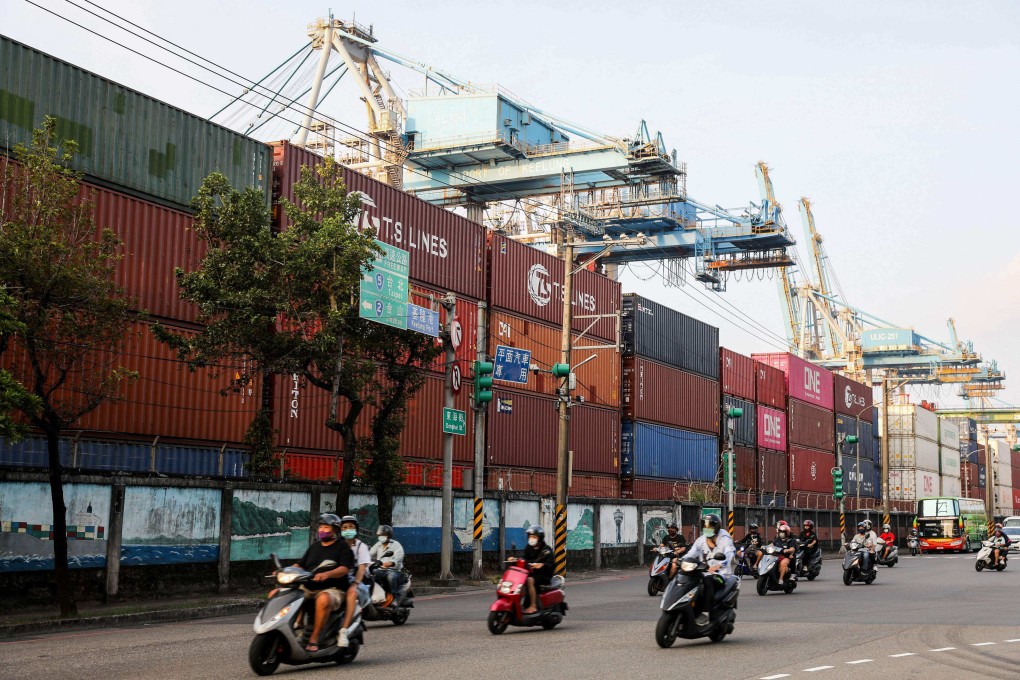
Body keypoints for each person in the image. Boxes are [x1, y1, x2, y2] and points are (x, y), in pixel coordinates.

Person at [294, 513, 355, 652]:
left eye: (326, 527)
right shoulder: (314, 547)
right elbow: (300, 565)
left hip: (333, 589)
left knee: (323, 599)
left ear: (335, 530)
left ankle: (315, 638)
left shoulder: (343, 547)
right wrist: (286, 570)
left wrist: (327, 574)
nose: (322, 530)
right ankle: (297, 625)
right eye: (320, 527)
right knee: (281, 593)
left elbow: (344, 569)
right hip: (309, 586)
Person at [685, 513, 735, 628]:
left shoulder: (725, 538)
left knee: (708, 580)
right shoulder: (701, 540)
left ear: (716, 527)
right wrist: (681, 561)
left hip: (722, 575)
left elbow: (729, 554)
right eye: (705, 525)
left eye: (710, 526)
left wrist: (719, 565)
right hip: (703, 572)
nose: (707, 528)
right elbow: (691, 553)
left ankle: (705, 613)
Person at [339, 515, 371, 640]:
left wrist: (355, 583)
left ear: (356, 529)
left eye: (351, 527)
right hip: (339, 577)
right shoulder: (337, 545)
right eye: (345, 527)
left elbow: (362, 568)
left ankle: (344, 629)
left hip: (355, 578)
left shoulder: (360, 546)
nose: (348, 530)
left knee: (352, 593)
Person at [521, 525, 555, 614]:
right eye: (530, 536)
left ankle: (533, 606)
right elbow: (524, 559)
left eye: (534, 537)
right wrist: (514, 560)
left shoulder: (546, 550)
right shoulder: (528, 547)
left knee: (529, 580)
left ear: (539, 538)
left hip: (544, 575)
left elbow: (551, 565)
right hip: (532, 573)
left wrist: (542, 565)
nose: (531, 538)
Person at [369, 524, 406, 602]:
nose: (381, 537)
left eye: (383, 535)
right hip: (380, 569)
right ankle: (378, 596)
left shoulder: (396, 545)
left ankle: (394, 598)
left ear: (389, 536)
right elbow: (370, 553)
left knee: (391, 577)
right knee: (371, 576)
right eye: (380, 535)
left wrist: (391, 563)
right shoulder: (378, 544)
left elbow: (399, 557)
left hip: (393, 570)